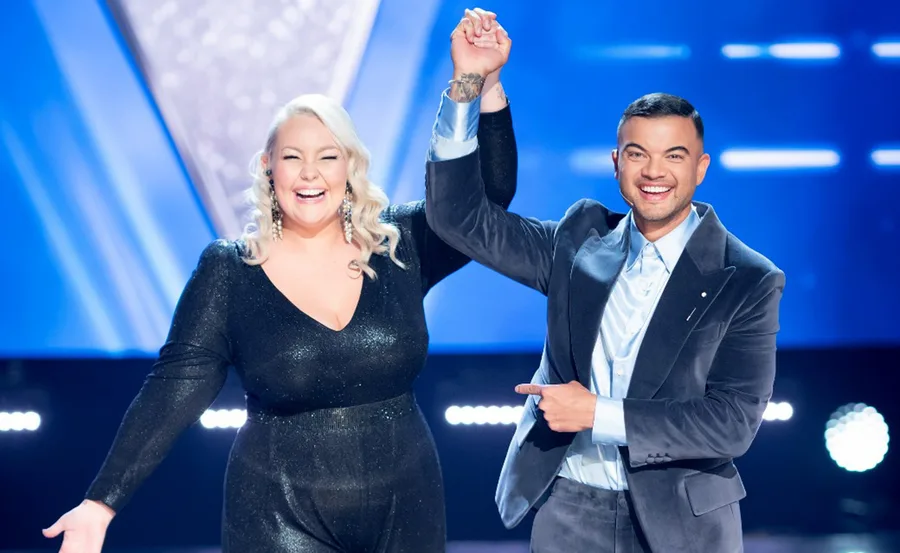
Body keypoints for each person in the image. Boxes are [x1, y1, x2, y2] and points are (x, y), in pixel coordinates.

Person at [41, 17, 514, 553]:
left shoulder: (399, 243)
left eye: (327, 157)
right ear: (269, 168)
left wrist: (481, 82)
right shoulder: (230, 271)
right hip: (278, 515)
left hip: (407, 508)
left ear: (349, 166)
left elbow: (488, 202)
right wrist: (100, 503)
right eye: (293, 157)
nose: (310, 174)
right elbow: (173, 389)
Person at [425, 12, 785, 552]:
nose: (654, 172)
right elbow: (460, 220)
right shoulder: (578, 242)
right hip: (570, 508)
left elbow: (731, 424)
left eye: (674, 156)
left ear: (701, 167)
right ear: (617, 163)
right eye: (638, 154)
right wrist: (473, 83)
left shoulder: (748, 279)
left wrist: (597, 414)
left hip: (681, 524)